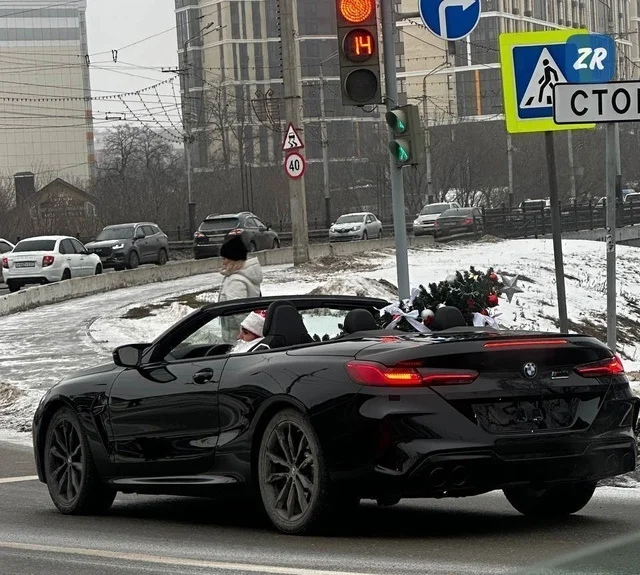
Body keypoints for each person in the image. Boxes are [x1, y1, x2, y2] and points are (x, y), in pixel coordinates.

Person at [218, 235, 263, 342]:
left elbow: (239, 312)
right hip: (244, 337)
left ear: (232, 259)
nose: (223, 262)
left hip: (236, 338)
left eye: (224, 258)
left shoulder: (236, 281)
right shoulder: (246, 276)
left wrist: (245, 335)